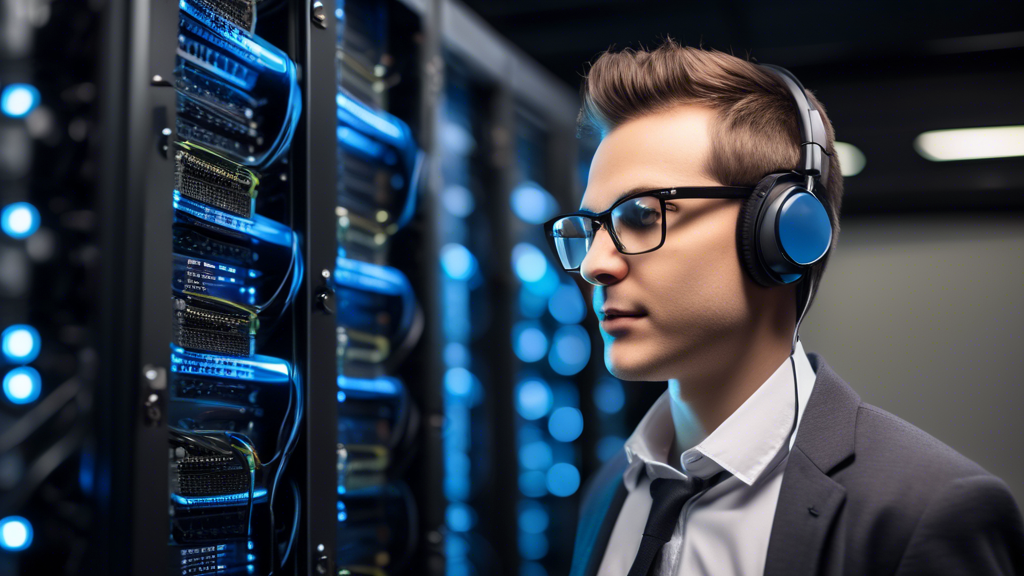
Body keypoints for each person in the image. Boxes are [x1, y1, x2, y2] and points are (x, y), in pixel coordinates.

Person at [542, 39, 1023, 576]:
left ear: (780, 233)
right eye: (590, 228)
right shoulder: (611, 490)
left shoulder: (925, 511)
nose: (594, 264)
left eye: (640, 214)